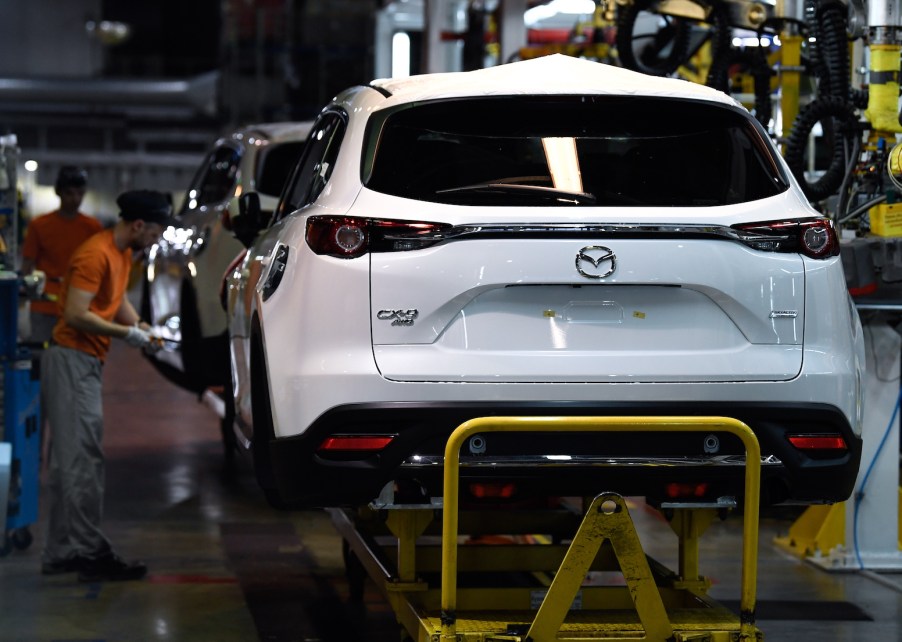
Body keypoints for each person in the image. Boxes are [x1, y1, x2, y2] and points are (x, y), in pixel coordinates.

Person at [40, 189, 172, 583]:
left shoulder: (121, 253)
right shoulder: (93, 255)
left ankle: (62, 552)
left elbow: (113, 301)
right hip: (71, 360)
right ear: (137, 225)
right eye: (155, 233)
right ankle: (89, 551)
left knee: (70, 463)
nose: (156, 240)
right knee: (82, 460)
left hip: (85, 363)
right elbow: (76, 314)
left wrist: (141, 326)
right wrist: (126, 336)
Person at [21, 166, 103, 346]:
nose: (75, 199)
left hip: (79, 306)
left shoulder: (92, 228)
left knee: (75, 357)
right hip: (45, 306)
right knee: (41, 357)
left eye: (79, 194)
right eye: (69, 193)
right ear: (58, 192)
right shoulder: (39, 226)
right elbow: (27, 264)